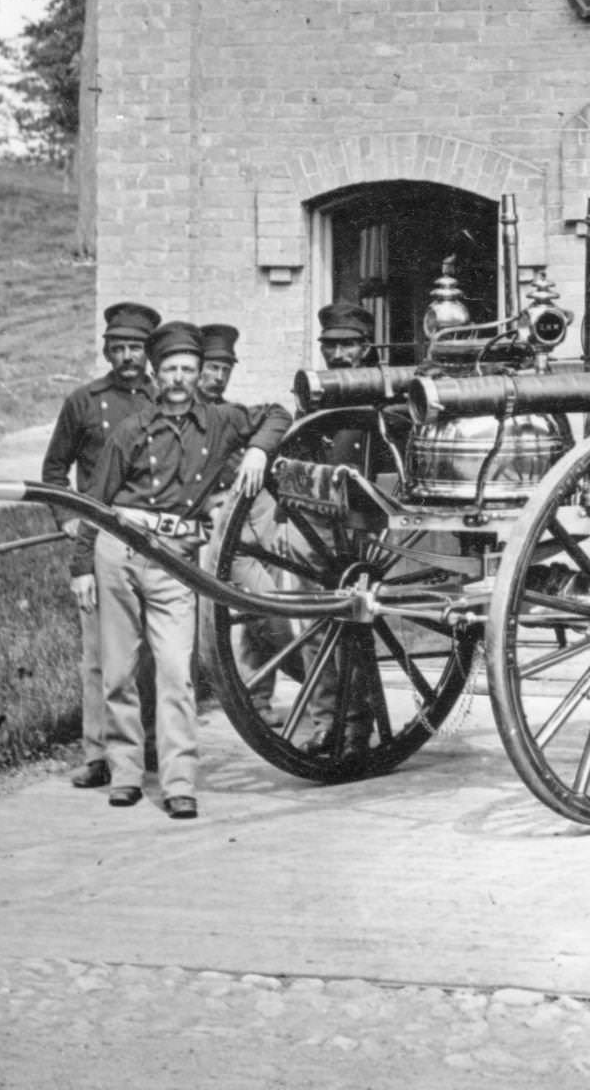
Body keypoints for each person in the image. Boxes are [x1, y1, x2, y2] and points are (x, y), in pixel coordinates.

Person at [72, 320, 291, 819]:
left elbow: (277, 413)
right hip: (119, 551)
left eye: (187, 369)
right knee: (120, 669)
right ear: (156, 372)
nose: (178, 378)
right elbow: (95, 501)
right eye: (169, 369)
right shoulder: (130, 430)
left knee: (176, 671)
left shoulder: (220, 421)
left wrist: (257, 448)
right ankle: (126, 773)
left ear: (198, 373)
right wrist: (81, 564)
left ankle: (178, 782)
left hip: (175, 559)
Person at [229, 301, 376, 757]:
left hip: (364, 529)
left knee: (354, 626)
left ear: (366, 347)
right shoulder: (314, 393)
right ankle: (326, 724)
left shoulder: (380, 391)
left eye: (348, 345)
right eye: (330, 346)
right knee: (315, 626)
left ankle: (356, 728)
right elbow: (297, 447)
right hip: (316, 525)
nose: (338, 354)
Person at [39, 299, 159, 789]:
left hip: (152, 538)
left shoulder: (161, 399)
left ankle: (147, 743)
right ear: (107, 350)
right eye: (120, 347)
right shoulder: (83, 402)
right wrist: (69, 518)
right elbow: (53, 470)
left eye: (136, 347)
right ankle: (97, 754)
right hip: (99, 537)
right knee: (98, 655)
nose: (128, 356)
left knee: (151, 651)